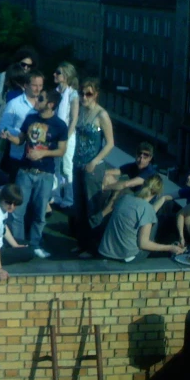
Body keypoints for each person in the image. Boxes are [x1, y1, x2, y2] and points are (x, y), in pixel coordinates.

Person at [1, 89, 68, 259]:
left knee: (39, 213)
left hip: (45, 173)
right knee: (17, 211)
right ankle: (18, 244)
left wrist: (43, 153)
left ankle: (35, 244)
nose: (36, 101)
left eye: (41, 98)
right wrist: (9, 137)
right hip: (25, 170)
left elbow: (62, 150)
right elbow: (21, 140)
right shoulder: (30, 118)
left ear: (50, 104)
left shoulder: (60, 125)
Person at [70, 78, 115, 256]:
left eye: (88, 94)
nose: (84, 97)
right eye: (81, 93)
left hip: (93, 167)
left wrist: (95, 161)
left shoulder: (101, 115)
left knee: (92, 206)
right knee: (79, 207)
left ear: (95, 94)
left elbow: (110, 143)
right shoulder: (80, 111)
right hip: (77, 164)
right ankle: (82, 243)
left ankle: (94, 247)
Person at [99, 175, 184, 263]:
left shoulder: (125, 198)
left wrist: (163, 199)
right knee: (155, 223)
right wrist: (170, 248)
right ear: (158, 193)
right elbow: (143, 244)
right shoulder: (147, 209)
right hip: (126, 257)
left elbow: (145, 212)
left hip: (106, 251)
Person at [0, 70, 42, 183]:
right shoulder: (14, 104)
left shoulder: (45, 104)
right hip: (18, 156)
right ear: (25, 85)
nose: (38, 89)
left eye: (40, 85)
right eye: (34, 85)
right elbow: (2, 127)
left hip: (39, 156)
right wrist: (20, 133)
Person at [53, 62, 79, 209]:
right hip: (56, 134)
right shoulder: (56, 92)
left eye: (58, 73)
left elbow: (73, 118)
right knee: (55, 166)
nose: (55, 75)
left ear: (66, 76)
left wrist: (66, 137)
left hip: (68, 136)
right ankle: (56, 195)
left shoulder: (73, 94)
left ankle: (69, 197)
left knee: (67, 166)